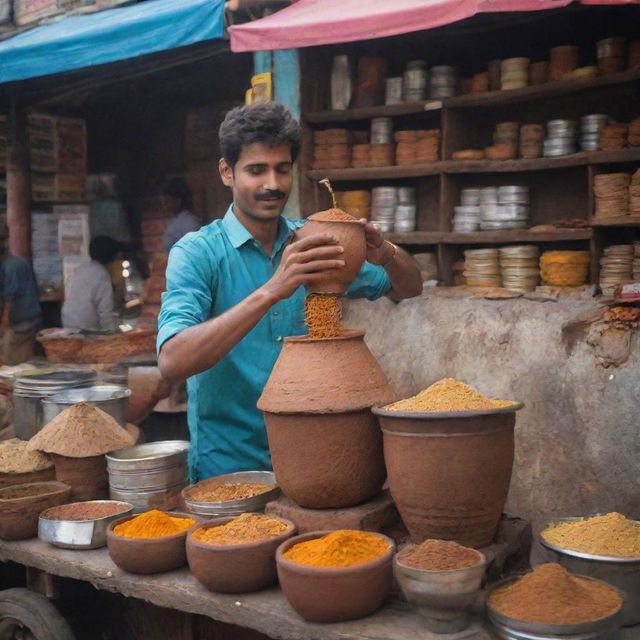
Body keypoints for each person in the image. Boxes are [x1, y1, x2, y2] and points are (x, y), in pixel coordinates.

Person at [157, 102, 422, 481]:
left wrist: (387, 254)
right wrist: (272, 290)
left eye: (283, 170)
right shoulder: (197, 252)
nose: (273, 185)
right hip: (230, 468)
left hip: (315, 458)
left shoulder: (314, 242)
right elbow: (172, 362)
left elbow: (409, 288)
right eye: (256, 170)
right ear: (226, 173)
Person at [61, 236, 122, 331]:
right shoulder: (102, 273)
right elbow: (105, 308)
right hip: (86, 324)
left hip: (68, 320)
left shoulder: (83, 268)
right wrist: (113, 331)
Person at [0, 229, 42, 365]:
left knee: (13, 365)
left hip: (20, 324)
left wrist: (3, 325)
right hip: (17, 322)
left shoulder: (12, 266)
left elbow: (9, 298)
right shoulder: (10, 264)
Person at [161, 178, 200, 252]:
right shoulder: (174, 221)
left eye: (167, 202)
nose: (164, 206)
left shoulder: (189, 223)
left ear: (178, 201)